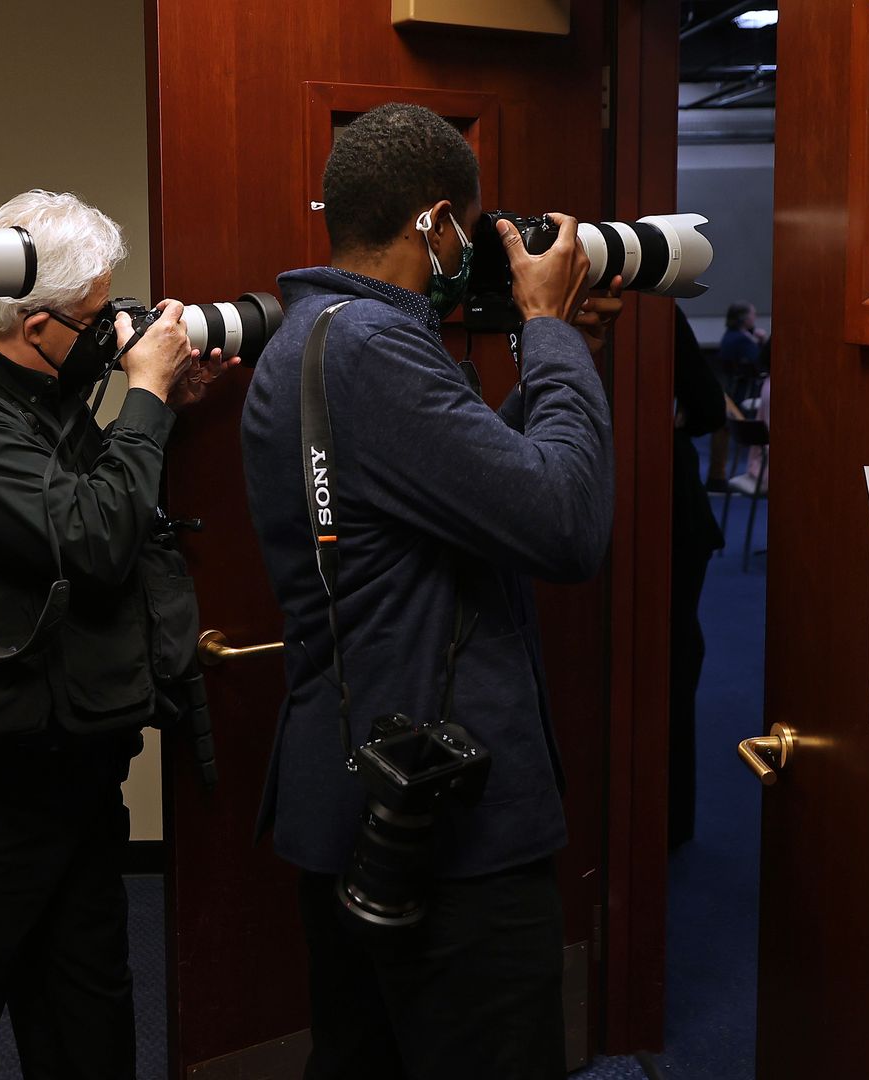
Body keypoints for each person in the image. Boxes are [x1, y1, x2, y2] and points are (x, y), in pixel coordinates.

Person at [240, 102, 619, 1079]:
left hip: (367, 795)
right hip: (446, 836)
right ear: (437, 223)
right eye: (473, 229)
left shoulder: (321, 333)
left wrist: (557, 355)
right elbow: (564, 521)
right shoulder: (371, 348)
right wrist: (547, 332)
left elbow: (454, 483)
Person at [0, 189, 231, 1079]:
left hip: (60, 748)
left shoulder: (31, 377)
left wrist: (163, 401)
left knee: (85, 1001)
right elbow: (93, 538)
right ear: (29, 320)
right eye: (94, 318)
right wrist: (144, 393)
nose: (110, 335)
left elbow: (80, 493)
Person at [670, 318, 728, 847]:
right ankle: (671, 817)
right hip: (673, 504)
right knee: (675, 654)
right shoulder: (655, 308)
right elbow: (709, 408)